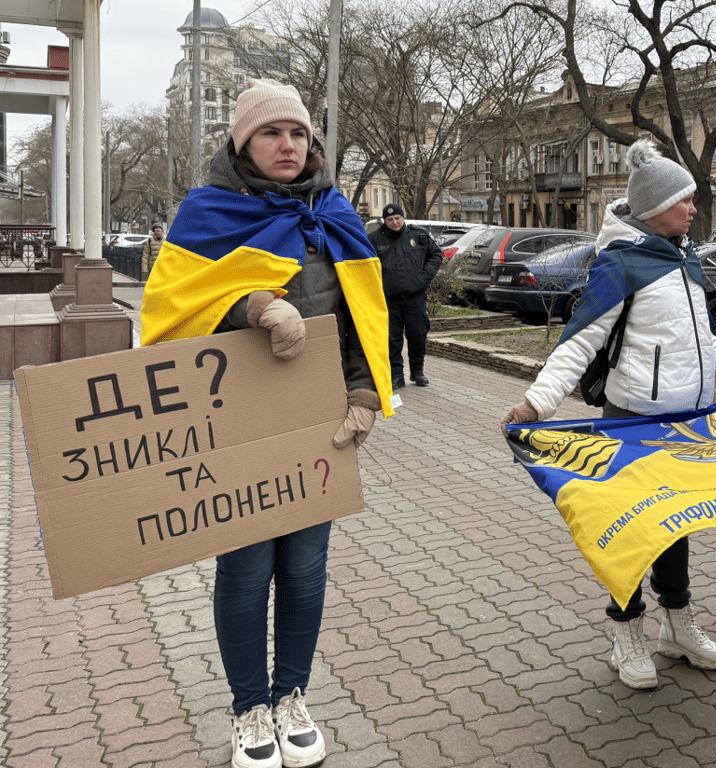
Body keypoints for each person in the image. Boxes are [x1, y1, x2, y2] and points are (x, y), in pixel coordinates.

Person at [140, 79, 392, 768]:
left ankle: (292, 698)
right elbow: (167, 319)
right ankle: (250, 709)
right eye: (271, 133)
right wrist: (250, 307)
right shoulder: (207, 212)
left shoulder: (336, 212)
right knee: (247, 571)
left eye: (299, 133)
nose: (288, 144)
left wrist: (365, 393)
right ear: (242, 141)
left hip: (321, 422)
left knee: (307, 571)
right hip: (237, 426)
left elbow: (360, 322)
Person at [500, 139, 716, 690]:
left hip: (688, 423)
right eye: (685, 200)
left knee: (676, 525)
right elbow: (579, 342)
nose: (694, 208)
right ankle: (627, 632)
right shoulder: (621, 264)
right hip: (632, 421)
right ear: (655, 207)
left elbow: (703, 346)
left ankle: (678, 624)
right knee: (630, 530)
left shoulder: (683, 258)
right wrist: (536, 403)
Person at [369, 202, 442, 388]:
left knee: (417, 335)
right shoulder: (374, 239)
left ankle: (417, 372)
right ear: (384, 221)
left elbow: (435, 256)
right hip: (389, 299)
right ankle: (396, 376)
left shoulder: (418, 236)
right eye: (390, 219)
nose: (394, 222)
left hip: (415, 297)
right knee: (392, 339)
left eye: (397, 218)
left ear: (403, 218)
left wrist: (425, 277)